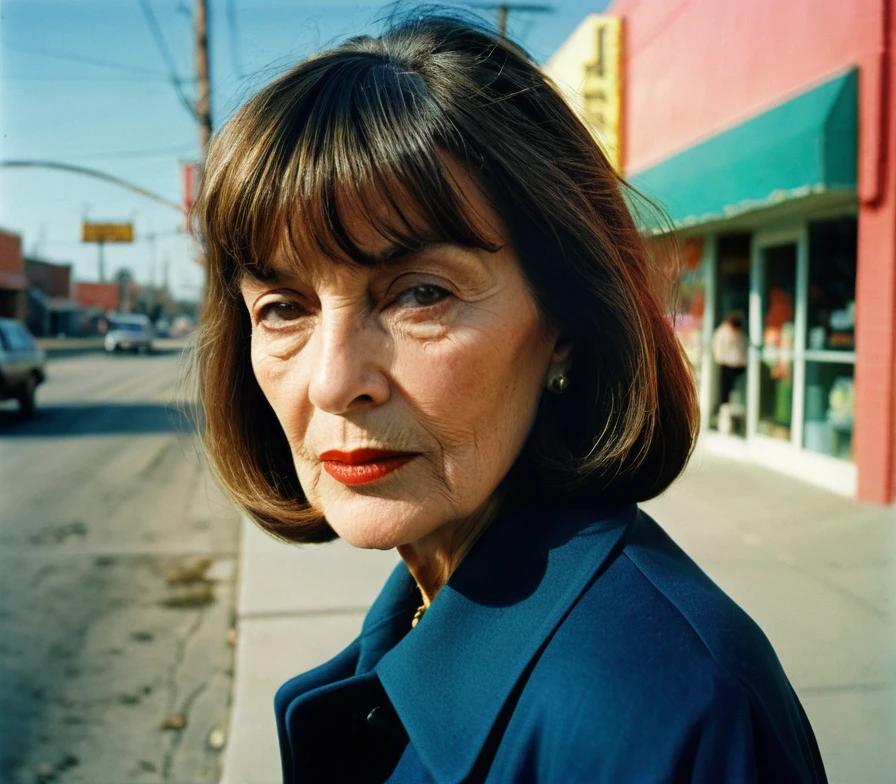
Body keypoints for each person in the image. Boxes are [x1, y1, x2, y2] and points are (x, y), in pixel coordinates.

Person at [191, 14, 826, 783]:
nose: (332, 380)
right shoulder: (424, 599)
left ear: (563, 320)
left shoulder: (667, 717)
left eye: (419, 295)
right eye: (284, 308)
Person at [712, 312, 748, 408]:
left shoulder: (740, 333)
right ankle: (725, 411)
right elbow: (719, 352)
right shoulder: (722, 333)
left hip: (740, 366)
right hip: (727, 365)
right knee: (726, 391)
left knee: (738, 391)